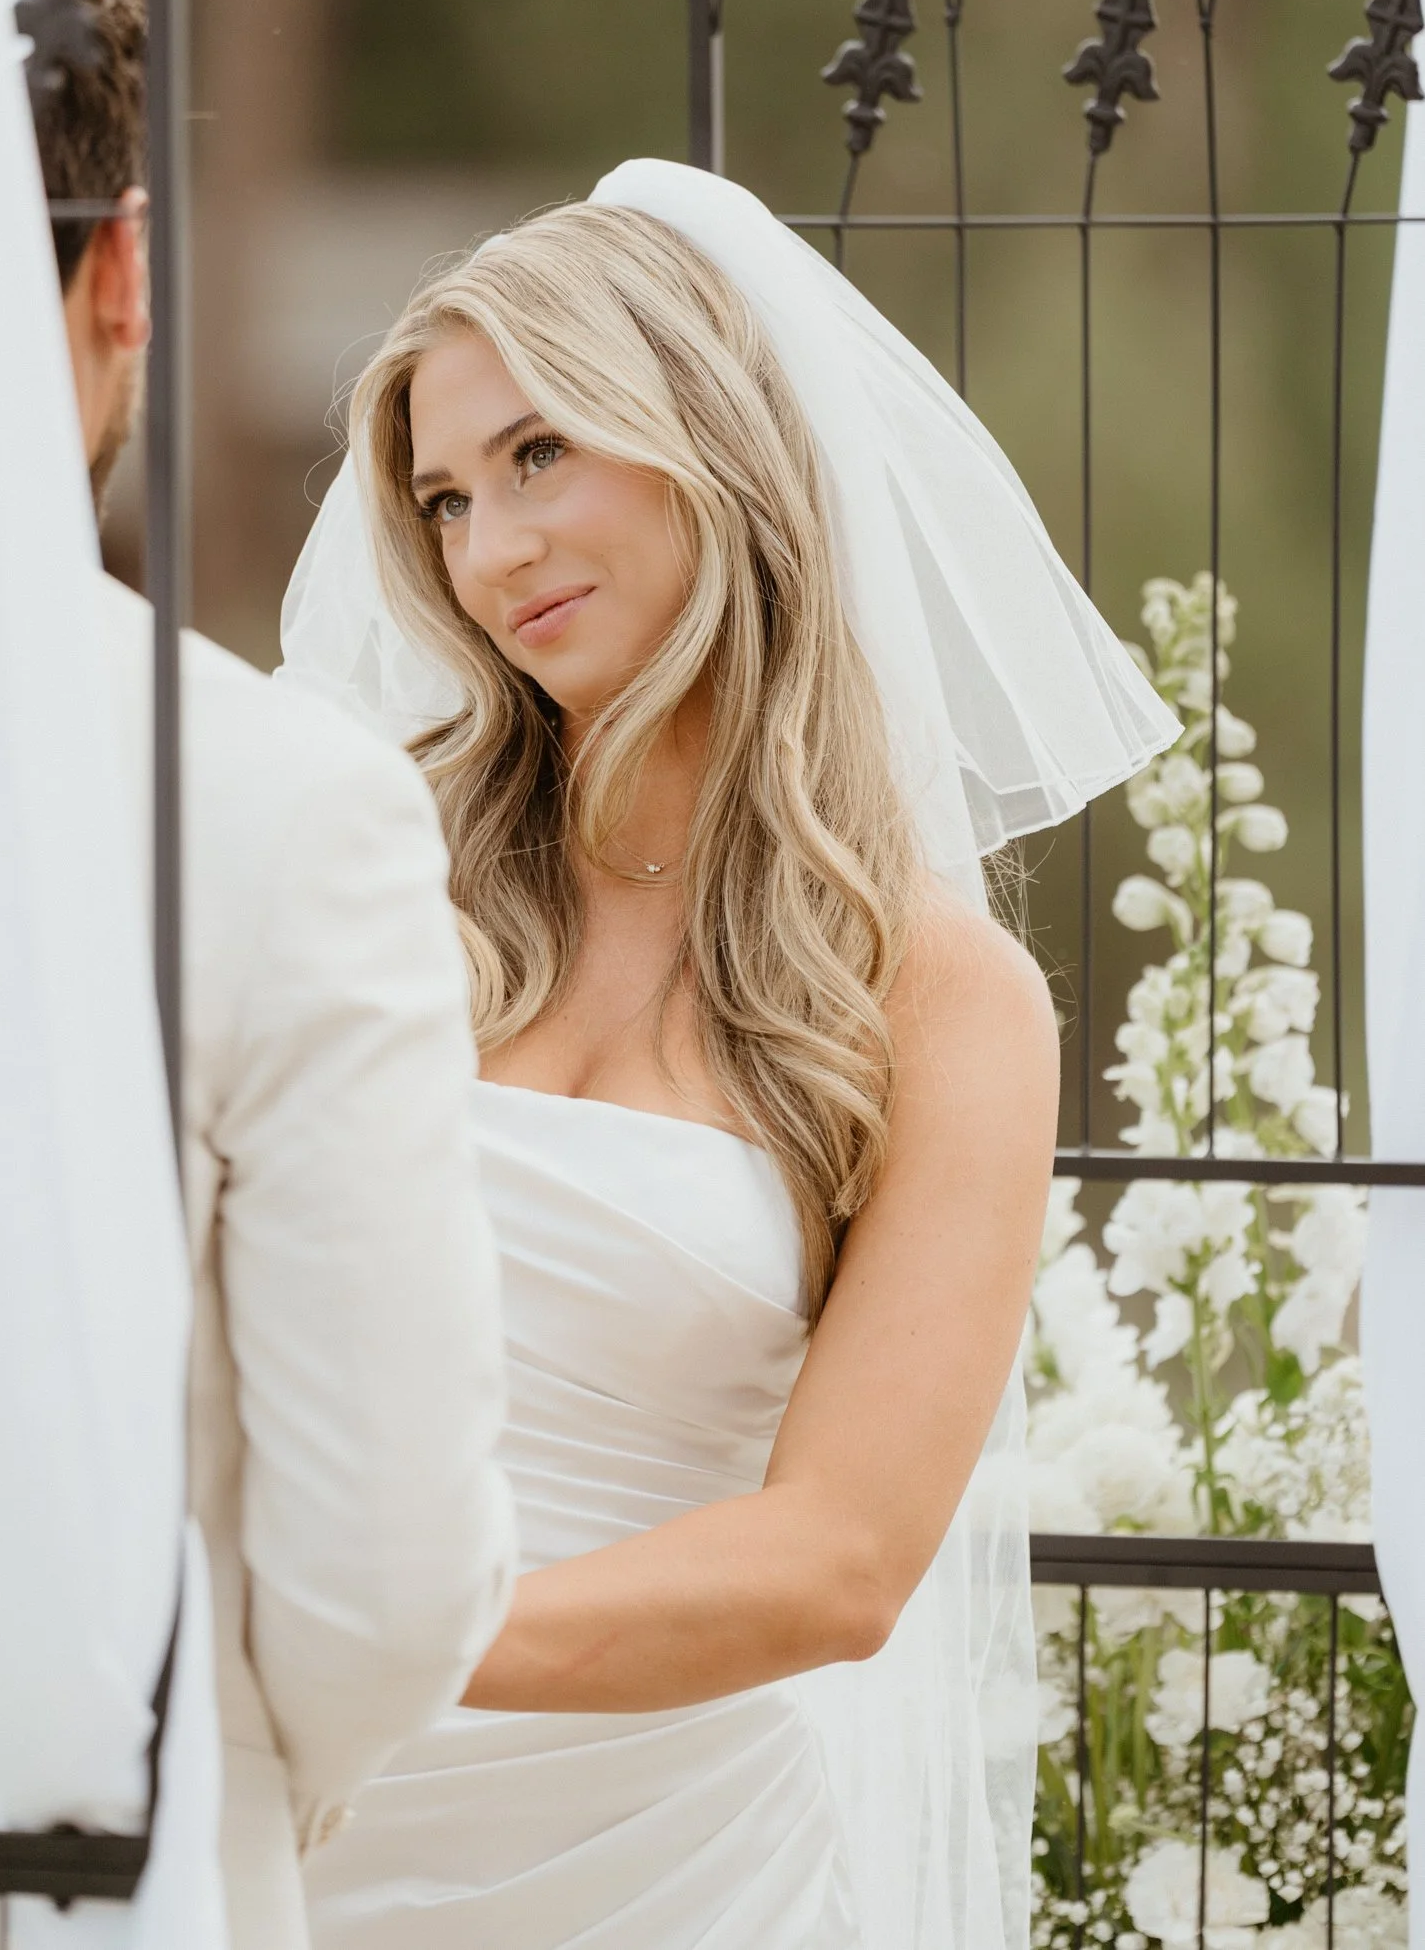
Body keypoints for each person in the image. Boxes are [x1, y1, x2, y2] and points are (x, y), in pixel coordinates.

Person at [278, 163, 1180, 1950]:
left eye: (539, 454)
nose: (491, 546)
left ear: (701, 435)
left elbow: (840, 1563)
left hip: (665, 1870)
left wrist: (350, 1646)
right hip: (288, 1830)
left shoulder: (937, 994)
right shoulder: (369, 870)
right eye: (446, 498)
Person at [17, 0, 518, 1950]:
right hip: (75, 1857)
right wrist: (242, 1797)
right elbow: (386, 1588)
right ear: (124, 265)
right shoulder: (273, 804)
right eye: (453, 486)